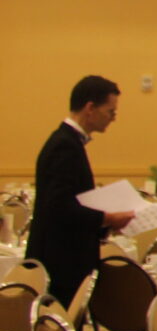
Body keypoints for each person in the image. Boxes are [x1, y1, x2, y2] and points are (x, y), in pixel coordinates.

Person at [28, 73, 132, 303]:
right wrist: (107, 218)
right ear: (90, 108)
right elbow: (59, 206)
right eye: (110, 112)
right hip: (61, 260)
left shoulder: (67, 142)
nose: (113, 118)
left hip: (63, 256)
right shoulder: (64, 146)